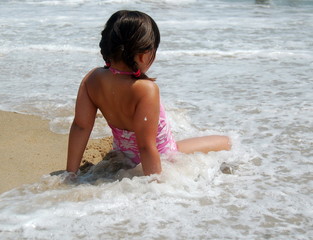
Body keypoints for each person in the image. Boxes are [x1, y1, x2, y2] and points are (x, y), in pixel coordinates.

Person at [66, 10, 231, 176]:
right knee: (227, 142)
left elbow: (81, 127)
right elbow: (146, 147)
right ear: (143, 55)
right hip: (162, 158)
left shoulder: (92, 78)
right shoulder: (145, 89)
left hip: (123, 156)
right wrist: (155, 186)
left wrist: (70, 174)